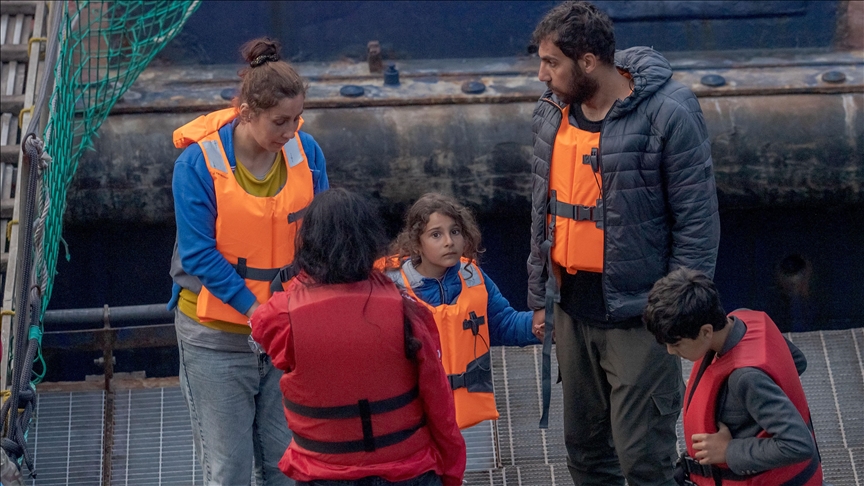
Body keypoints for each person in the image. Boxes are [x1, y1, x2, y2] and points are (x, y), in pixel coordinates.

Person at [526, 2, 721, 484]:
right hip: (572, 310)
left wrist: (678, 314)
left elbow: (697, 223)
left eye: (552, 62)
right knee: (586, 453)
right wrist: (538, 300)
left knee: (644, 459)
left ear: (588, 61)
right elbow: (541, 211)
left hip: (640, 319)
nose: (541, 74)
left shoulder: (668, 113)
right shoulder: (552, 113)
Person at [168, 37, 328, 485]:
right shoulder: (197, 164)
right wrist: (258, 312)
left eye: (298, 119)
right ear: (247, 112)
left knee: (288, 466)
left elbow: (321, 235)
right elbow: (199, 254)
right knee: (230, 471)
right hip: (214, 338)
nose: (291, 131)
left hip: (285, 333)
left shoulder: (306, 152)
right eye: (280, 121)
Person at [250, 188, 466, 485]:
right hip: (408, 471)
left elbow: (265, 330)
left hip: (323, 475)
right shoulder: (407, 311)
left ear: (309, 244)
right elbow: (440, 406)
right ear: (370, 240)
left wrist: (305, 278)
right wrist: (451, 473)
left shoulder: (280, 317)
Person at [643, 268, 823, 486]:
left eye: (676, 343)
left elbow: (799, 444)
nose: (671, 351)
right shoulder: (745, 317)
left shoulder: (745, 378)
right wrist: (751, 415)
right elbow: (797, 361)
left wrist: (729, 450)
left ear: (706, 331)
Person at [383, 193, 540, 430]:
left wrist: (546, 323)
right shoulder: (389, 287)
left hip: (469, 416)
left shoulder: (473, 276)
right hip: (414, 415)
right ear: (416, 243)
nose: (449, 241)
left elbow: (503, 324)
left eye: (455, 231)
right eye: (436, 234)